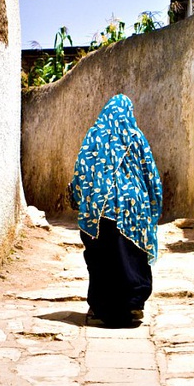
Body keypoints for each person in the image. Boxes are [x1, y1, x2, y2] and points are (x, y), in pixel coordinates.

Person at [69, 94, 163, 328]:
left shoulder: (94, 136)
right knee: (134, 254)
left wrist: (78, 197)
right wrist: (153, 205)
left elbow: (83, 170)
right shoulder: (135, 137)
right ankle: (134, 302)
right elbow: (150, 173)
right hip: (134, 207)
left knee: (103, 256)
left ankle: (104, 306)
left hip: (101, 208)